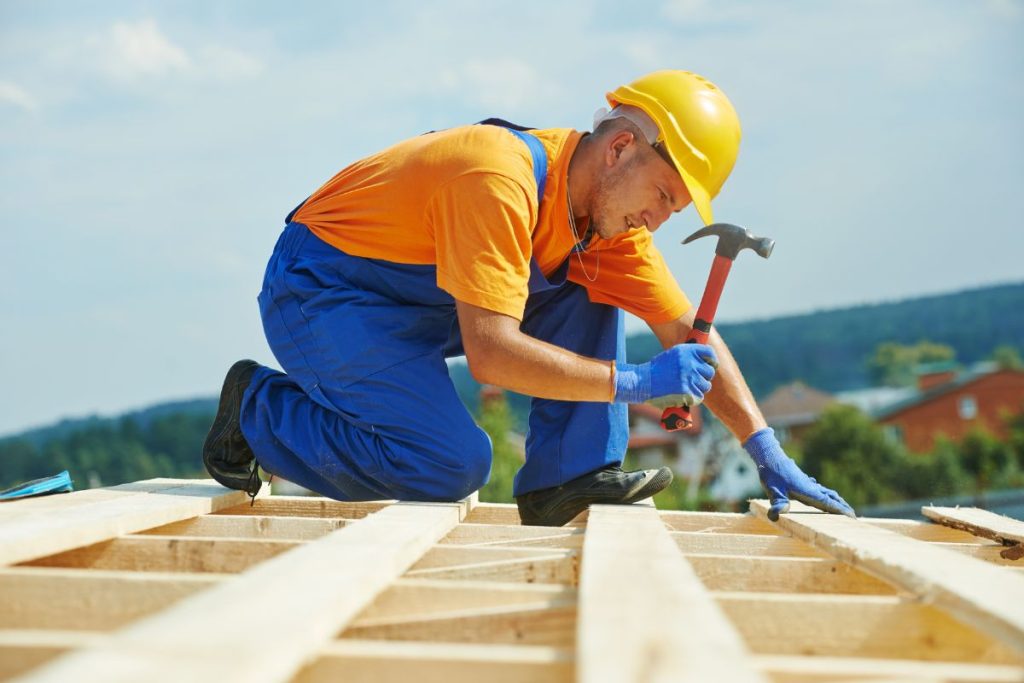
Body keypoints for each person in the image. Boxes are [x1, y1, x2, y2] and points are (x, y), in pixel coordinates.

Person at [202, 70, 855, 526]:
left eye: (675, 210)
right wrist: (634, 380)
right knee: (450, 464)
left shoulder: (607, 222)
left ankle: (566, 478)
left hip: (418, 301)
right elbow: (490, 354)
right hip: (323, 292)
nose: (658, 220)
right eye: (662, 197)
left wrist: (763, 446)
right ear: (621, 149)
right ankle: (256, 412)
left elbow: (688, 334)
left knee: (590, 280)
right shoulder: (496, 178)